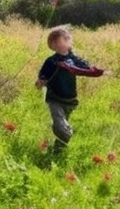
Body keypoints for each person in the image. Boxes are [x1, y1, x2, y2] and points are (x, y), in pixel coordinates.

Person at [35, 26, 104, 154]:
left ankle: (57, 151)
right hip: (54, 98)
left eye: (59, 39)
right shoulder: (51, 61)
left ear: (68, 41)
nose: (56, 43)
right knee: (62, 126)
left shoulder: (74, 59)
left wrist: (100, 71)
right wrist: (40, 82)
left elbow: (88, 69)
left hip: (70, 100)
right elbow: (42, 76)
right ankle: (66, 134)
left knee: (59, 127)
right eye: (53, 41)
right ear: (51, 45)